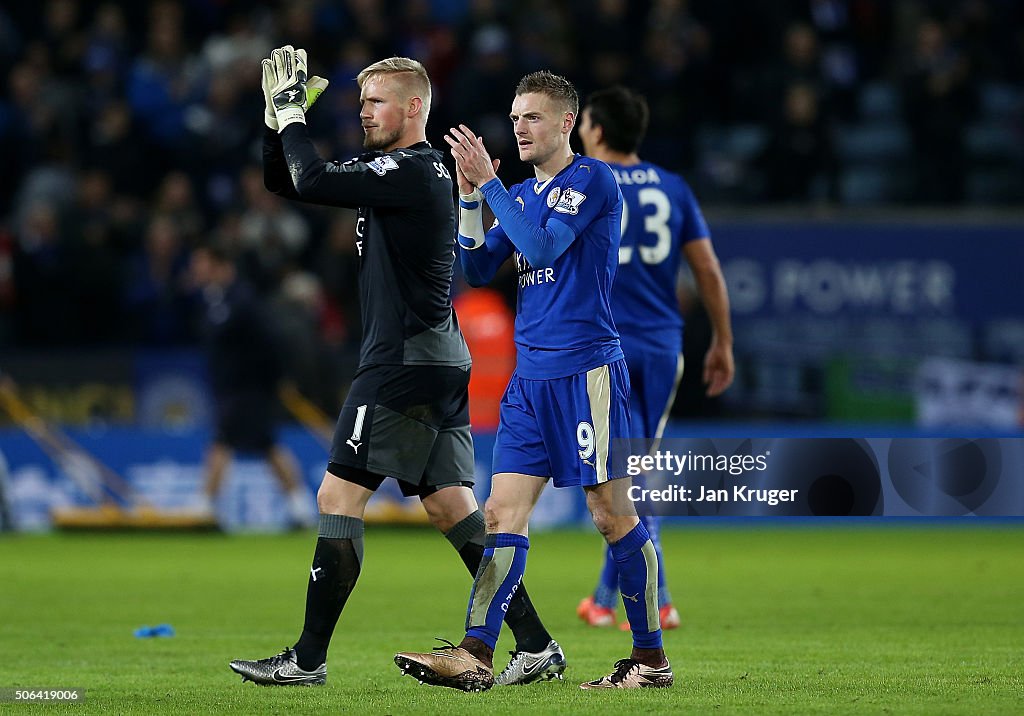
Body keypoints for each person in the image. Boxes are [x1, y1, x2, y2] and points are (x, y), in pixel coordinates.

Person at [229, 47, 561, 687]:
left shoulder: (415, 169)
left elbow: (316, 180)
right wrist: (278, 122)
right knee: (452, 510)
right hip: (433, 358)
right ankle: (537, 644)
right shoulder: (397, 168)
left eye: (374, 102)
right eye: (359, 104)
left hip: (402, 361)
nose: (363, 113)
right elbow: (291, 180)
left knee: (336, 496)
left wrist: (294, 112)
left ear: (414, 108)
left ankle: (307, 658)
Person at [394, 71, 673, 691]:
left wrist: (491, 186)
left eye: (533, 118)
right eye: (515, 117)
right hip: (530, 379)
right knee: (501, 513)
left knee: (609, 513)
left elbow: (543, 250)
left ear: (567, 123)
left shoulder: (592, 181)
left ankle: (650, 660)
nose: (519, 127)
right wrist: (470, 196)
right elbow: (475, 263)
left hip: (586, 372)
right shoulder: (519, 193)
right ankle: (475, 652)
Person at [575, 86, 734, 630]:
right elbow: (708, 271)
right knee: (634, 468)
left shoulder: (584, 183)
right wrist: (722, 340)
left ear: (596, 130)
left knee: (624, 473)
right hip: (664, 345)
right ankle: (602, 598)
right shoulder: (673, 187)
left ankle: (657, 600)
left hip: (604, 343)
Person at [189, 242, 316, 529]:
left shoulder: (241, 300)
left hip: (247, 388)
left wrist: (275, 379)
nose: (195, 269)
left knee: (222, 441)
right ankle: (300, 506)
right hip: (234, 388)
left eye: (201, 262)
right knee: (267, 445)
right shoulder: (216, 299)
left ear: (220, 265)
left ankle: (204, 505)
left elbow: (269, 342)